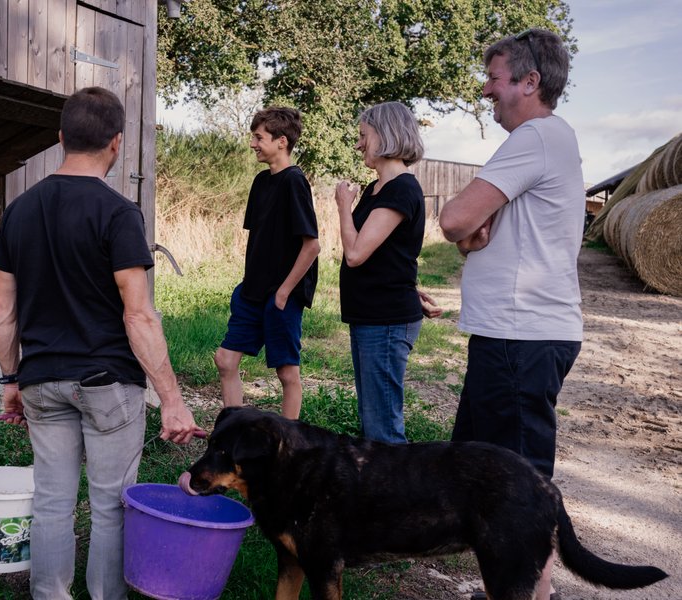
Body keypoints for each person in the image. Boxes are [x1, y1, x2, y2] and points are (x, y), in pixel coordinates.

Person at [0, 86, 202, 600]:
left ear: (61, 138)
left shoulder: (18, 210)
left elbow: (3, 311)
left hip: (40, 381)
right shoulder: (118, 213)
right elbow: (139, 314)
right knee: (109, 506)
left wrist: (12, 380)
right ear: (116, 142)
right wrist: (171, 398)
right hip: (108, 382)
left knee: (51, 503)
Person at [439, 28, 584, 600]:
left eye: (496, 79)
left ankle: (530, 596)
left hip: (520, 339)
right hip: (510, 336)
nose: (485, 90)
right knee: (484, 475)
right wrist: (469, 234)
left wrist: (463, 230)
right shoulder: (551, 139)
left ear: (531, 82)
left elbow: (454, 219)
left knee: (516, 486)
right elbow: (471, 231)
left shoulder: (536, 136)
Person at [334, 101, 439, 444]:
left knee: (383, 430)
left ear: (386, 134)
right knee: (372, 420)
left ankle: (401, 496)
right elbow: (393, 254)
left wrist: (342, 208)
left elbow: (356, 253)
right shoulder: (376, 189)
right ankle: (380, 493)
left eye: (363, 135)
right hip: (371, 315)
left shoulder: (401, 189)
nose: (359, 144)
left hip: (386, 320)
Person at [214, 106, 321, 419]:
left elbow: (311, 246)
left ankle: (290, 445)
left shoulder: (294, 182)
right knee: (225, 360)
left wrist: (284, 292)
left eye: (259, 137)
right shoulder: (262, 182)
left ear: (282, 141)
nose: (253, 144)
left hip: (280, 296)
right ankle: (233, 432)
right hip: (252, 292)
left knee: (287, 374)